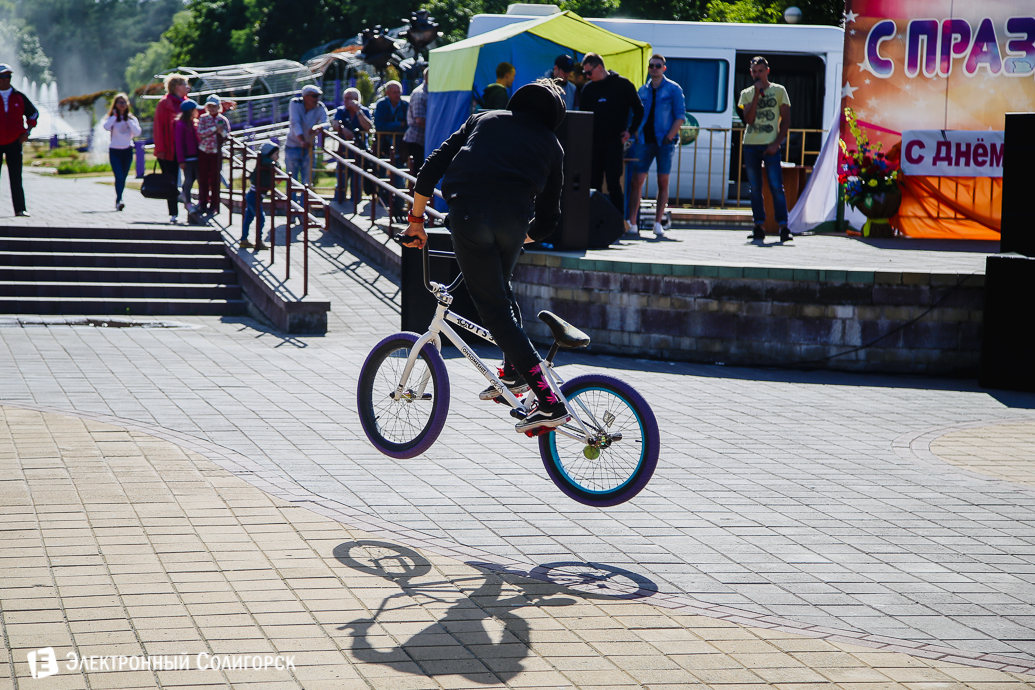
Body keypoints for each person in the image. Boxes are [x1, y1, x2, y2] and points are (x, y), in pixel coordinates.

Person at [402, 80, 569, 433]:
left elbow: (432, 166)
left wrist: (416, 222)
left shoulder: (485, 118)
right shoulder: (553, 145)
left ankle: (549, 401)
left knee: (494, 311)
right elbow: (550, 219)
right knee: (502, 294)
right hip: (514, 222)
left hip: (470, 217)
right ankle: (512, 374)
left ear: (518, 103)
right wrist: (519, 232)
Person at [627, 55, 685, 238]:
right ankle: (632, 222)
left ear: (664, 68)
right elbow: (634, 114)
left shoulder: (674, 89)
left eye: (658, 66)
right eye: (651, 65)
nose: (654, 68)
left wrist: (669, 137)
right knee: (636, 182)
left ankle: (658, 223)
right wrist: (635, 132)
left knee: (663, 182)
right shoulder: (642, 91)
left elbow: (680, 116)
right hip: (644, 141)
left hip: (664, 143)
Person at [579, 53, 643, 216]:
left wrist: (630, 131)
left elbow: (639, 109)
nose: (587, 76)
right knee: (594, 182)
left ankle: (618, 221)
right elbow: (582, 116)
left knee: (613, 181)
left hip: (615, 141)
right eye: (585, 73)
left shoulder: (622, 85)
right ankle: (592, 219)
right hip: (594, 143)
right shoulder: (588, 89)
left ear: (599, 67)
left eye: (589, 72)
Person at [737, 56, 792, 243]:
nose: (757, 74)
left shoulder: (779, 91)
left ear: (767, 71)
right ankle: (758, 225)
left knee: (776, 186)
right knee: (755, 188)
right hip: (751, 144)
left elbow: (786, 119)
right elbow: (749, 120)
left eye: (760, 71)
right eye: (754, 71)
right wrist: (755, 94)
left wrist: (776, 143)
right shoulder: (746, 93)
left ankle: (783, 226)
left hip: (770, 144)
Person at [0, 63, 38, 217]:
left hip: (14, 142)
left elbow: (33, 113)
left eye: (8, 76)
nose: (5, 79)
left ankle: (20, 209)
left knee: (16, 177)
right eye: (2, 76)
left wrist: (27, 131)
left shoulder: (19, 96)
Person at [153, 73, 189, 223]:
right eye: (184, 84)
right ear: (175, 87)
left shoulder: (187, 103)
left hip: (186, 148)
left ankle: (191, 207)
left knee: (190, 177)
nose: (188, 87)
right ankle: (173, 212)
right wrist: (160, 149)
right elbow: (158, 128)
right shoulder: (165, 103)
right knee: (171, 180)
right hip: (169, 149)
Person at [101, 92, 141, 212]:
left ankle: (119, 199)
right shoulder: (112, 118)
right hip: (115, 150)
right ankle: (119, 200)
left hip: (127, 150)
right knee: (118, 176)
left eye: (124, 102)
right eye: (120, 103)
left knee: (123, 177)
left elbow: (137, 132)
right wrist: (115, 116)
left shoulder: (131, 119)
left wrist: (127, 119)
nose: (122, 105)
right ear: (116, 104)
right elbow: (106, 127)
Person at [332, 87, 373, 203]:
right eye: (344, 98)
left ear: (356, 99)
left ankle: (355, 204)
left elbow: (368, 127)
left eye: (349, 98)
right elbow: (335, 124)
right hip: (344, 152)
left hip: (359, 153)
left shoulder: (364, 111)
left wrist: (357, 111)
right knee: (341, 180)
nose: (345, 101)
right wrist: (343, 129)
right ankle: (339, 202)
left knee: (357, 181)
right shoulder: (341, 111)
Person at [286, 84, 328, 195]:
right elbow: (295, 122)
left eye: (318, 96)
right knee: (291, 180)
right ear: (305, 97)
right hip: (293, 146)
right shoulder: (295, 103)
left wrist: (318, 127)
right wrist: (302, 140)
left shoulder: (320, 107)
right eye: (314, 96)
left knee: (307, 181)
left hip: (309, 148)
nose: (316, 99)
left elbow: (326, 123)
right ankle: (292, 208)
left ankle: (305, 208)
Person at [239, 142, 278, 250]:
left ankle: (244, 239)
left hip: (254, 195)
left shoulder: (264, 162)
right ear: (269, 154)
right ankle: (258, 241)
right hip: (254, 196)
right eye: (276, 154)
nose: (278, 157)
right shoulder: (264, 161)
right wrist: (275, 164)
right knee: (260, 218)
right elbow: (266, 161)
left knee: (249, 218)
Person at [196, 94, 230, 214]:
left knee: (215, 179)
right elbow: (200, 133)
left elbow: (227, 136)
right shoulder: (204, 118)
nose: (212, 109)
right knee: (203, 178)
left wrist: (222, 132)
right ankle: (203, 202)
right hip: (204, 151)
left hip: (216, 152)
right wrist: (214, 129)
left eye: (214, 106)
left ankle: (214, 204)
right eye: (210, 106)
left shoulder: (223, 120)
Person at [174, 99, 201, 212]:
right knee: (189, 180)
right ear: (190, 111)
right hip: (187, 159)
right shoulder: (180, 125)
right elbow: (179, 144)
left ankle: (202, 201)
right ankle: (188, 202)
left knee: (200, 180)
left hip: (197, 157)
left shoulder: (194, 123)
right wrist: (181, 160)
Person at [403, 69, 428, 168]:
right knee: (417, 171)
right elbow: (420, 120)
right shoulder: (420, 94)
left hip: (424, 140)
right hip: (416, 141)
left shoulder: (430, 93)